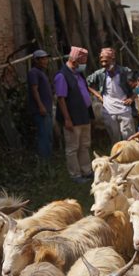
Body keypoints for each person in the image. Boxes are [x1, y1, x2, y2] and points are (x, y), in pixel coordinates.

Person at [55, 46, 94, 182]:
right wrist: (67, 119)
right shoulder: (62, 76)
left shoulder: (78, 74)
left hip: (84, 115)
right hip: (72, 118)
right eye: (82, 62)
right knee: (73, 147)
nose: (83, 65)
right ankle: (75, 174)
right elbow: (61, 99)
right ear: (74, 60)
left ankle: (87, 170)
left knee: (85, 145)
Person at [87, 48, 136, 141]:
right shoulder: (100, 73)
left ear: (113, 59)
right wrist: (98, 96)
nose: (103, 64)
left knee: (129, 140)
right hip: (109, 113)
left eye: (106, 61)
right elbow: (85, 83)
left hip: (124, 111)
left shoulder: (125, 72)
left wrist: (132, 98)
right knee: (116, 142)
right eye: (101, 61)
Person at [26, 49, 54, 160]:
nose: (45, 61)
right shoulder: (33, 72)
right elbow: (34, 90)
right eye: (43, 59)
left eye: (46, 58)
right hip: (41, 111)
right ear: (36, 60)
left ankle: (48, 159)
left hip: (47, 109)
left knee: (48, 135)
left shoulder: (42, 73)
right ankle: (45, 161)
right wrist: (40, 106)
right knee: (44, 136)